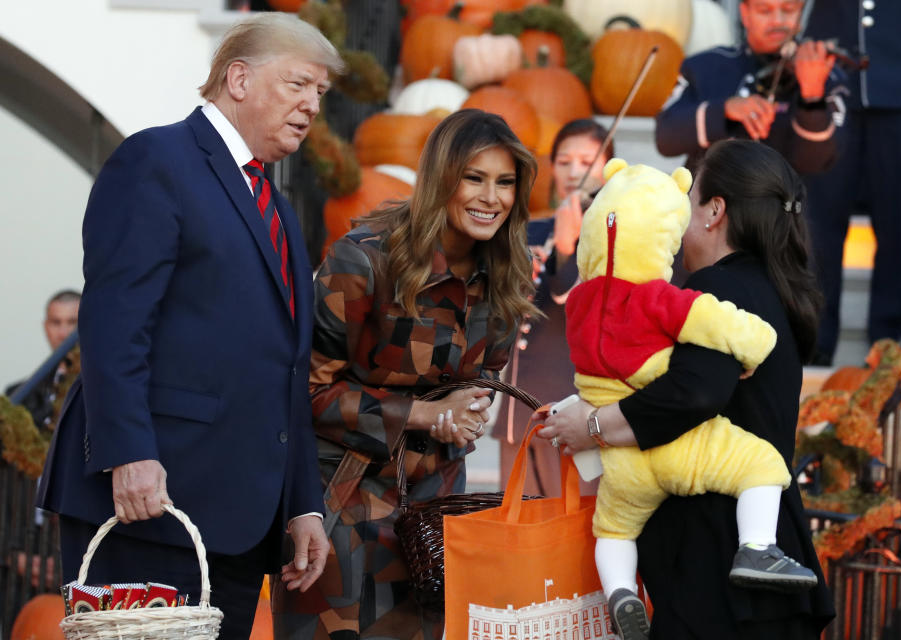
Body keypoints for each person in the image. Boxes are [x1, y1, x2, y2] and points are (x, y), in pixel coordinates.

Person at [36, 14, 344, 639]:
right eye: (298, 85)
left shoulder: (279, 207)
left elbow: (288, 370)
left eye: (321, 93)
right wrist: (130, 454)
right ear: (238, 78)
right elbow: (115, 321)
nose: (312, 105)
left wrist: (304, 503)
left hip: (236, 518)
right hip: (146, 502)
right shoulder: (156, 159)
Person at [540, 140, 835, 639]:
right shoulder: (769, 287)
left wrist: (592, 427)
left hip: (717, 561)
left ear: (715, 212)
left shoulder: (717, 291)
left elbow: (693, 393)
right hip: (752, 554)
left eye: (691, 199)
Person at [271, 109, 539, 639]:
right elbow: (305, 390)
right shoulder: (364, 260)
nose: (492, 198)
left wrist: (465, 410)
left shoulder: (508, 270)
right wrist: (422, 414)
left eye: (505, 183)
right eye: (475, 178)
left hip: (435, 517)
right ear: (442, 177)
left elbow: (485, 374)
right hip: (341, 507)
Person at [803, 0, 901, 364]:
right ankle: (814, 344)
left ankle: (890, 349)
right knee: (820, 221)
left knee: (899, 227)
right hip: (830, 71)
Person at [494, 119, 612, 497]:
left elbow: (576, 303)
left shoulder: (615, 238)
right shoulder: (530, 231)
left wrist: (566, 249)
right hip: (518, 411)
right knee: (518, 536)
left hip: (575, 410)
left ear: (610, 168)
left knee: (572, 537)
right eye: (564, 161)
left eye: (586, 161)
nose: (574, 171)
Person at [655, 0, 844, 175]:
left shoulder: (827, 74)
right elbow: (665, 139)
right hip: (711, 204)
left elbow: (815, 164)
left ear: (801, 14)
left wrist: (812, 97)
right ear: (745, 14)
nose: (778, 21)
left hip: (787, 206)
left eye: (788, 10)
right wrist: (725, 110)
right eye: (764, 11)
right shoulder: (706, 66)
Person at [5, 289, 80, 429]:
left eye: (72, 322)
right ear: (46, 327)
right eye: (56, 322)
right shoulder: (22, 395)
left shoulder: (106, 385)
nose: (63, 333)